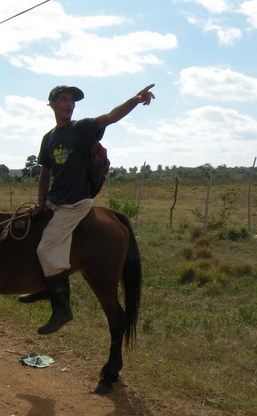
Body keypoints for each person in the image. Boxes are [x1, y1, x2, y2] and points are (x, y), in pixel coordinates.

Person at [20, 83, 156, 335]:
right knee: (29, 238)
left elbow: (111, 116)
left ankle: (62, 309)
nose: (69, 104)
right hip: (54, 202)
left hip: (75, 203)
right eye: (63, 99)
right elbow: (45, 174)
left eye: (72, 100)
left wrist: (136, 99)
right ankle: (45, 289)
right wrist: (40, 204)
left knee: (46, 246)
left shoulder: (81, 128)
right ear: (52, 104)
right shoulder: (49, 138)